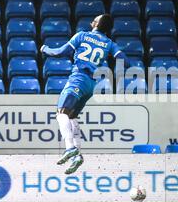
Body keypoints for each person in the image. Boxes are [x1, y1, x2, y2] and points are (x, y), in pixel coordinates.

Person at [41, 14, 131, 175]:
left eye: (94, 19)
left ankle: (70, 148)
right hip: (92, 84)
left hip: (78, 78)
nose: (92, 21)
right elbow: (125, 61)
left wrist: (45, 49)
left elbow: (61, 52)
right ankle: (78, 157)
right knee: (72, 116)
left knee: (61, 113)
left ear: (96, 23)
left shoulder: (82, 35)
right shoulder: (109, 43)